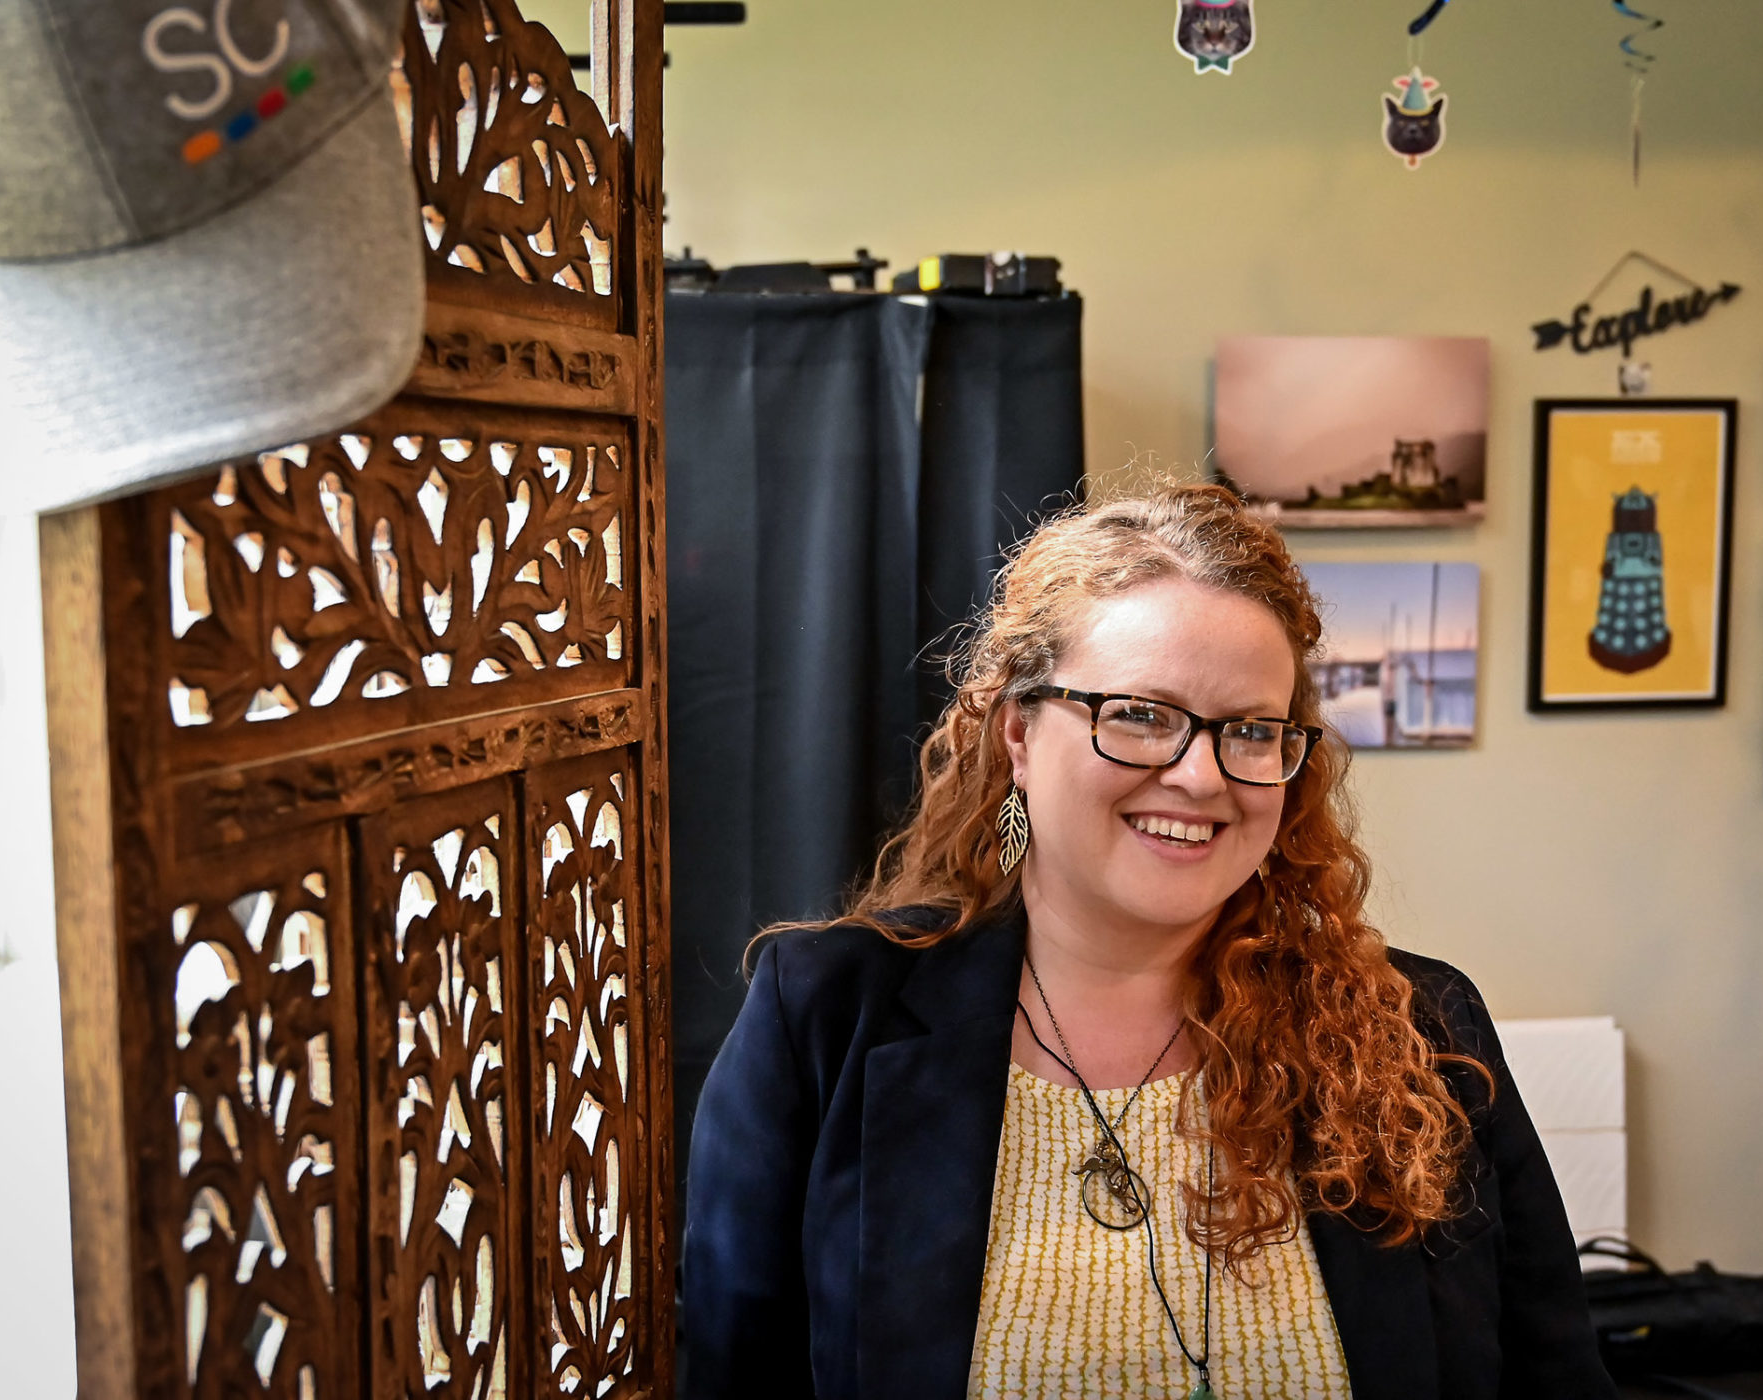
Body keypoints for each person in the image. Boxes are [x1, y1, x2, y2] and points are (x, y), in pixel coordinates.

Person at [683, 483, 1616, 1400]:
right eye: (1139, 716)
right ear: (1017, 731)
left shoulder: (1420, 1030)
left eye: (1251, 731)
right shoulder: (824, 1017)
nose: (1203, 776)